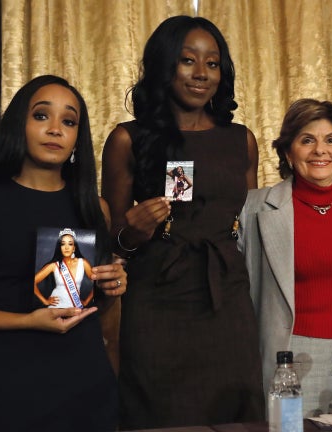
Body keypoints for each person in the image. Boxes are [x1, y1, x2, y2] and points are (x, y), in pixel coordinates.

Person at [101, 15, 264, 428]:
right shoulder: (128, 138)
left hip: (227, 298)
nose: (201, 73)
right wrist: (133, 231)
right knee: (159, 415)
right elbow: (114, 244)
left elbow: (245, 224)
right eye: (188, 60)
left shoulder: (240, 140)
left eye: (212, 63)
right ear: (164, 65)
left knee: (236, 414)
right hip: (157, 299)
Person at [0, 75, 126, 431]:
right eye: (42, 116)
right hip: (10, 385)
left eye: (69, 121)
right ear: (19, 125)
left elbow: (95, 309)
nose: (55, 129)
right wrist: (25, 321)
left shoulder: (96, 208)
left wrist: (113, 286)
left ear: (78, 137)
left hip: (88, 386)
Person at [238, 99, 332, 416]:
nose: (320, 150)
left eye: (331, 140)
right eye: (307, 140)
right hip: (288, 358)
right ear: (289, 152)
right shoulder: (254, 208)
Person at [34, 228, 95, 308]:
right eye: (63, 244)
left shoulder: (83, 263)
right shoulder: (54, 265)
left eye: (70, 244)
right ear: (60, 247)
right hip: (56, 307)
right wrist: (45, 301)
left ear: (74, 248)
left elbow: (97, 283)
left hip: (75, 306)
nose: (66, 247)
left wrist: (86, 301)